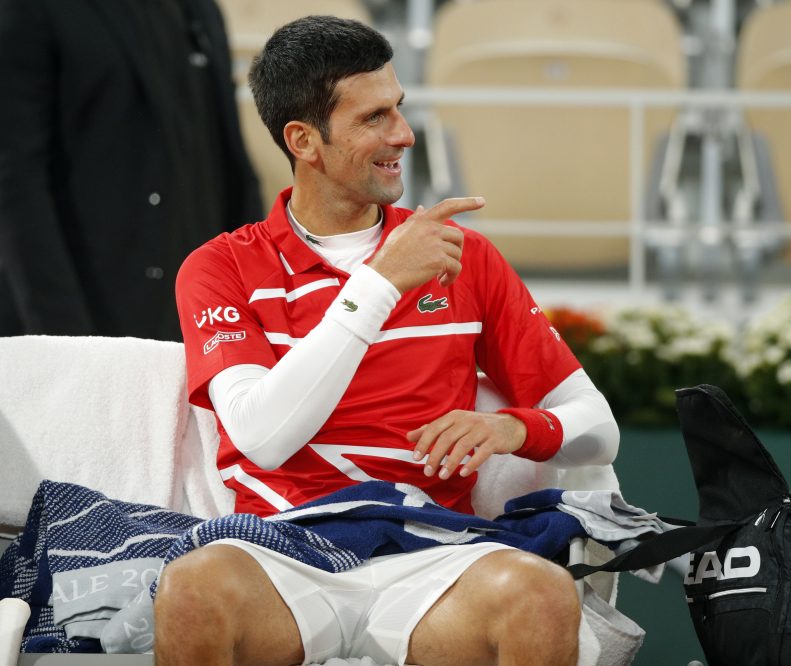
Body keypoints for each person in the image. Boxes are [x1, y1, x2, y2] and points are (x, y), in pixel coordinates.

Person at [162, 14, 620, 666]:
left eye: (398, 108)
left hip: (431, 549)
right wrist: (379, 283)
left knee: (542, 594)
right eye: (374, 117)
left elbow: (598, 427)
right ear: (303, 141)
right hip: (284, 549)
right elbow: (264, 436)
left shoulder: (465, 257)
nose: (403, 134)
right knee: (190, 590)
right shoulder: (220, 266)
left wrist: (514, 428)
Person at [0, 0, 263, 340]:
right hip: (89, 323)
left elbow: (231, 168)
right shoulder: (29, 10)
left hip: (198, 324)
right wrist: (67, 342)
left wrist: (254, 305)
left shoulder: (200, 10)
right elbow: (16, 184)